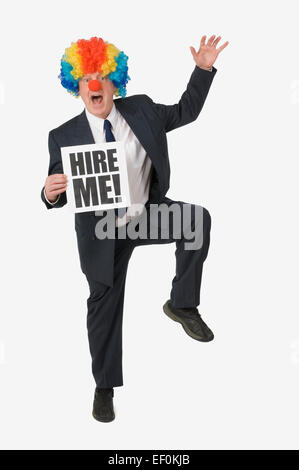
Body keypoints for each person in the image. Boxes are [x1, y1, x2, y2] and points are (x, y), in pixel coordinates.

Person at [41, 35, 228, 423]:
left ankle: (182, 303)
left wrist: (203, 69)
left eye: (102, 77)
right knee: (103, 307)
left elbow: (185, 111)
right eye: (86, 79)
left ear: (114, 82)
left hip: (145, 214)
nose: (95, 85)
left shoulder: (141, 110)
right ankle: (104, 387)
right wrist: (49, 192)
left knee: (196, 219)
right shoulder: (63, 137)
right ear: (76, 87)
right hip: (104, 231)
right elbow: (55, 189)